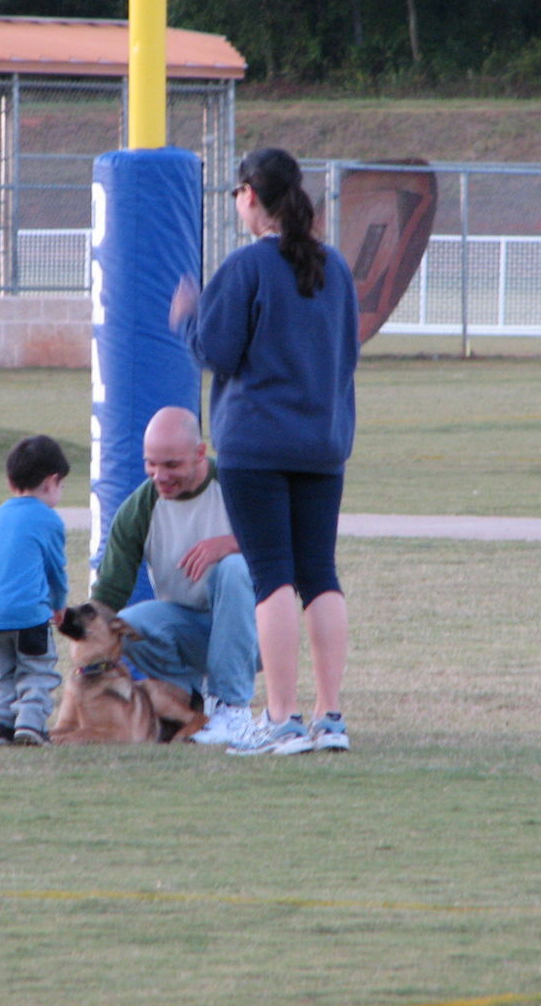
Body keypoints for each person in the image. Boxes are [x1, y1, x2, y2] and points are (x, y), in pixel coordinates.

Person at [172, 147, 359, 755]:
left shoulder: (248, 265)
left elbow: (217, 350)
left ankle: (281, 721)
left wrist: (186, 319)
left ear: (250, 194)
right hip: (322, 444)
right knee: (319, 576)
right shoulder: (335, 268)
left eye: (236, 192)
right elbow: (346, 357)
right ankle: (330, 720)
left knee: (272, 577)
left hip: (257, 446)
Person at [90, 406, 260, 746]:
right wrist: (86, 653)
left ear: (200, 453)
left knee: (233, 567)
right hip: (189, 630)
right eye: (150, 463)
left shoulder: (236, 484)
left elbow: (289, 544)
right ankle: (190, 706)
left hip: (254, 635)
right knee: (127, 623)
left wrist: (228, 544)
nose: (159, 475)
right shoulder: (139, 509)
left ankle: (233, 709)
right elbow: (107, 598)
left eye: (171, 465)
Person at [0, 435, 71, 747]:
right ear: (52, 482)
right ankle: (31, 724)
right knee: (37, 669)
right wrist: (59, 604)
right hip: (28, 614)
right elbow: (55, 569)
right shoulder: (48, 519)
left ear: (11, 480)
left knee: (2, 671)